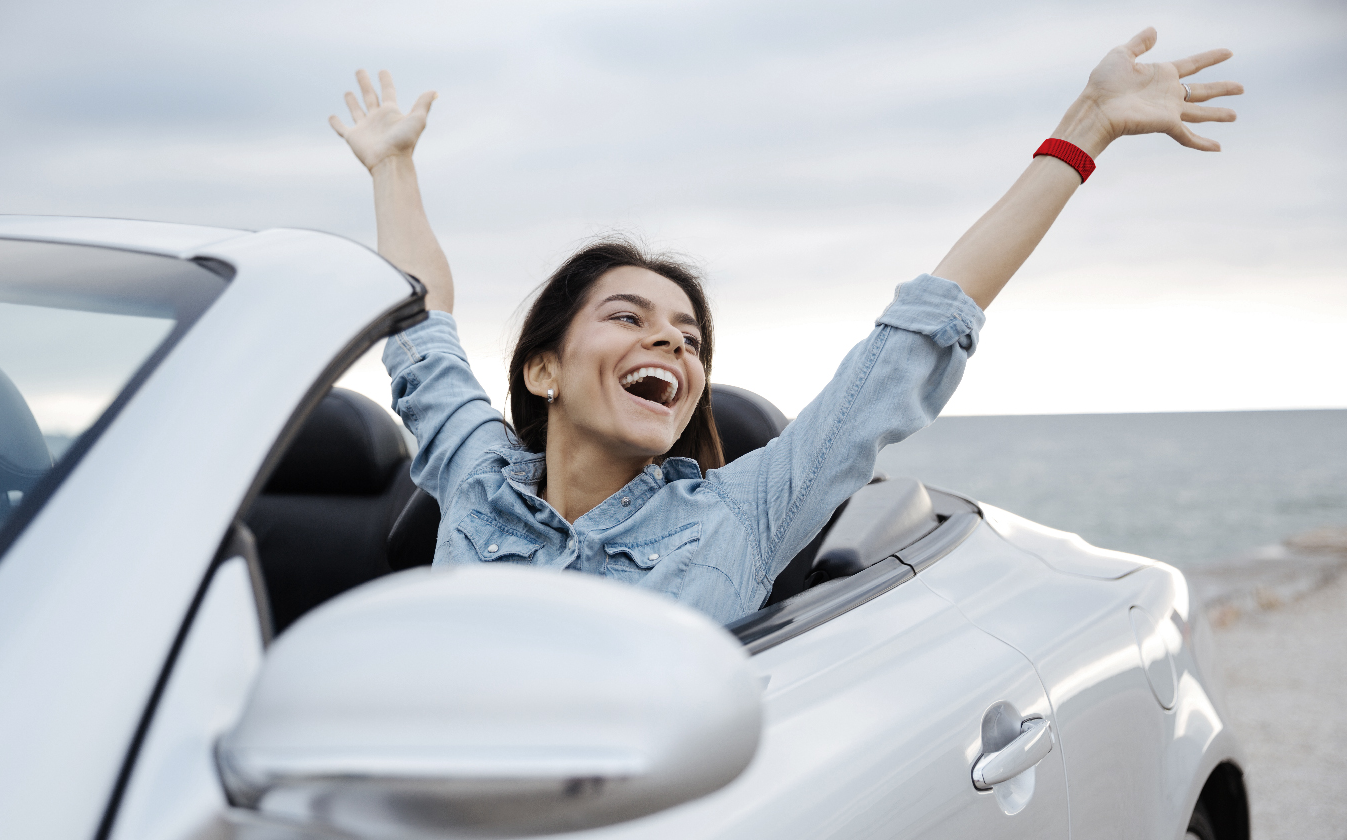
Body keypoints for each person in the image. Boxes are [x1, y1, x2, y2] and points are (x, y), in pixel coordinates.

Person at [328, 28, 1241, 625]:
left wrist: (1085, 129)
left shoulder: (743, 514)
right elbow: (419, 324)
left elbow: (909, 344)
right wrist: (392, 168)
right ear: (543, 372)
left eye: (689, 338)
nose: (673, 346)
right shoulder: (477, 479)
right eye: (629, 317)